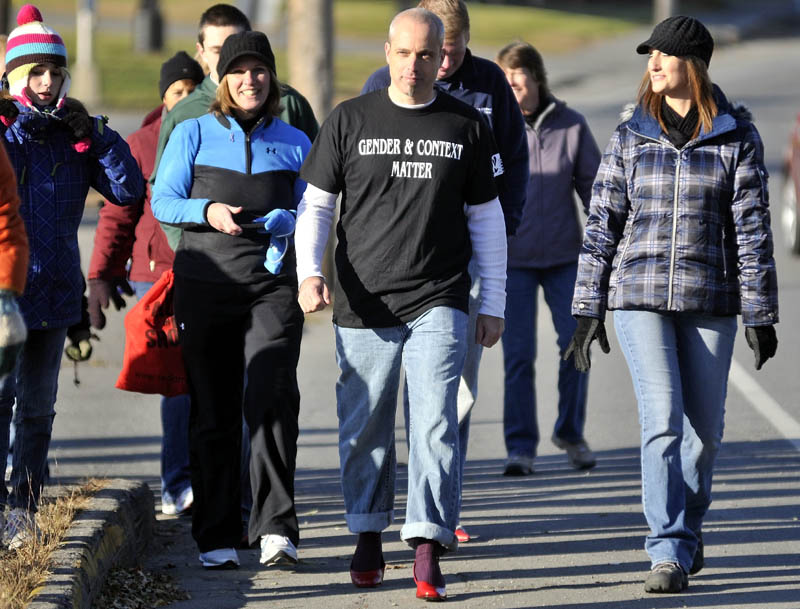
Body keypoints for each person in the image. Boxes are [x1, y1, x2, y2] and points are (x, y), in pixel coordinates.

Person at [297, 8, 507, 600]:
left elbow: (487, 219)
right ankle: (366, 533)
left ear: (442, 57)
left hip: (439, 296)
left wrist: (493, 300)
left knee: (437, 420)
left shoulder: (467, 125)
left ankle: (425, 543)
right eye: (404, 52)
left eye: (426, 55)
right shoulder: (349, 119)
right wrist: (309, 273)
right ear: (387, 52)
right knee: (364, 426)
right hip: (363, 300)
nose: (414, 65)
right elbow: (316, 205)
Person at [566, 15, 779, 594]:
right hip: (639, 301)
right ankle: (666, 549)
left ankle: (686, 526)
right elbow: (601, 226)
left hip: (710, 300)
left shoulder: (737, 138)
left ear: (696, 65)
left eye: (664, 54)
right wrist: (588, 309)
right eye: (649, 56)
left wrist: (761, 314)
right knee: (661, 420)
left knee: (703, 435)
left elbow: (753, 233)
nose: (653, 64)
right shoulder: (629, 135)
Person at [361, 0, 527, 544]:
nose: (437, 66)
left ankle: (439, 513)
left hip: (468, 260)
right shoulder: (376, 84)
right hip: (393, 260)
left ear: (462, 46)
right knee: (380, 398)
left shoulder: (490, 87)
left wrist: (505, 234)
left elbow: (514, 166)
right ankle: (377, 517)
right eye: (428, 53)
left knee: (451, 395)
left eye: (446, 54)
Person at [152, 3, 318, 543]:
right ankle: (217, 534)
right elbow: (163, 201)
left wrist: (289, 218)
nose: (251, 80)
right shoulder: (193, 131)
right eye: (240, 71)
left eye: (260, 71)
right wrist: (208, 211)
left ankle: (275, 528)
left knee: (271, 397)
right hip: (206, 284)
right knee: (215, 407)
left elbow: (316, 209)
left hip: (271, 284)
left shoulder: (294, 141)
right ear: (223, 79)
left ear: (272, 80)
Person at [0, 4, 144, 549]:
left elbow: (129, 192)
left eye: (55, 72)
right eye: (35, 72)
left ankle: (22, 510)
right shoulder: (4, 130)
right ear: (16, 75)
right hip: (4, 295)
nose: (46, 82)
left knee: (37, 409)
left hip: (57, 295)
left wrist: (100, 138)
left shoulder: (74, 133)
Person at [87, 51, 205, 518]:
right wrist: (101, 275)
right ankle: (177, 483)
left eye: (192, 91)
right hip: (152, 277)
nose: (183, 100)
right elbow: (118, 214)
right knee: (177, 382)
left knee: (209, 383)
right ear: (163, 97)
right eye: (176, 92)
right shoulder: (142, 142)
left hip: (205, 272)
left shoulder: (210, 133)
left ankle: (213, 479)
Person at [494, 41, 601, 476]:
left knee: (576, 345)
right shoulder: (496, 128)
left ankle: (570, 432)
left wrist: (604, 250)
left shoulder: (571, 125)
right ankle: (520, 447)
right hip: (513, 260)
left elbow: (596, 190)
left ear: (537, 79)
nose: (513, 88)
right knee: (518, 355)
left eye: (518, 80)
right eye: (506, 82)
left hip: (564, 258)